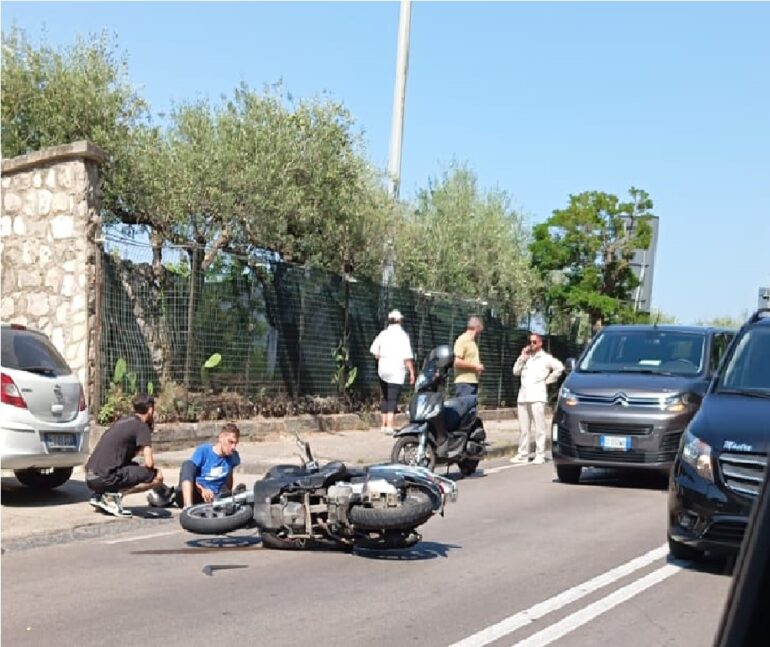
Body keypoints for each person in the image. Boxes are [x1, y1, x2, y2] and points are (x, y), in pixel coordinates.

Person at [85, 393, 164, 517]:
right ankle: (112, 498)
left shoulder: (123, 421)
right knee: (157, 476)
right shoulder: (141, 427)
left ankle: (99, 496)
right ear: (150, 409)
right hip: (105, 478)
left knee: (134, 466)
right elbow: (149, 463)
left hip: (91, 477)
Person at [510, 332, 565, 465]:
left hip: (537, 396)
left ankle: (540, 453)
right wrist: (522, 357)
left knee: (539, 427)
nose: (532, 345)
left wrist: (548, 381)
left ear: (540, 343)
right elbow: (515, 371)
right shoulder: (526, 357)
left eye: (535, 342)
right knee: (524, 428)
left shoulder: (545, 358)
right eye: (530, 342)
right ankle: (523, 453)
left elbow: (560, 367)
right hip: (523, 396)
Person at [174, 423, 242, 509]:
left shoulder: (233, 457)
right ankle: (187, 506)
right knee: (187, 464)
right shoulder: (204, 451)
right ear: (221, 438)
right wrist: (202, 490)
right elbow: (190, 475)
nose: (233, 447)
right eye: (230, 442)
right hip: (197, 492)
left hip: (215, 496)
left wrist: (228, 493)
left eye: (236, 443)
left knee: (237, 494)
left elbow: (229, 479)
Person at [369, 309, 415, 434]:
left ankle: (383, 425)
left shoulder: (383, 334)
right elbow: (407, 356)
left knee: (385, 396)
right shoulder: (403, 335)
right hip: (396, 370)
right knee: (393, 397)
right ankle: (390, 425)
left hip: (383, 369)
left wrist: (381, 358)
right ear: (399, 321)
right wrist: (412, 372)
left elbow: (373, 350)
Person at [453, 315, 485, 397]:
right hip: (464, 383)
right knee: (464, 409)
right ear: (477, 327)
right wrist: (475, 366)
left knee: (471, 409)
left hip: (472, 382)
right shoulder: (463, 339)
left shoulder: (473, 342)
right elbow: (457, 362)